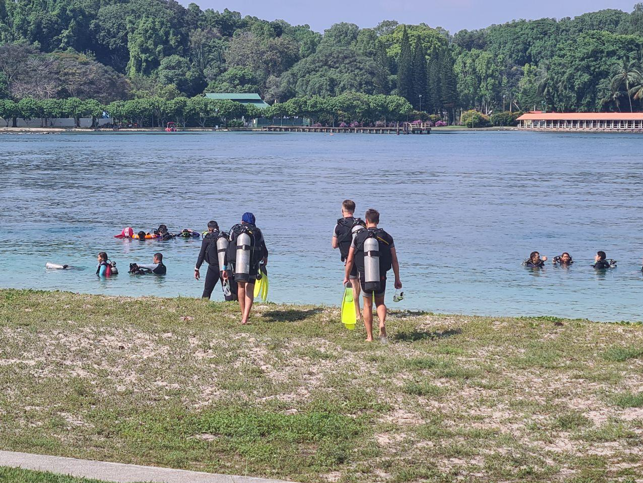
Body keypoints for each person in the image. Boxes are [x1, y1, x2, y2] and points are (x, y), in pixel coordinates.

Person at [344, 209, 401, 342]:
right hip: (381, 275)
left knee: (367, 305)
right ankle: (381, 323)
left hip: (365, 276)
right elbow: (394, 259)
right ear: (378, 221)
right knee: (380, 302)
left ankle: (370, 336)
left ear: (367, 221)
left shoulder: (359, 236)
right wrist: (397, 278)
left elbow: (350, 259)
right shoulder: (387, 236)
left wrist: (347, 276)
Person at [223, 213, 268, 324]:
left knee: (241, 287)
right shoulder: (257, 232)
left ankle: (243, 313)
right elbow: (264, 249)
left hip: (239, 264)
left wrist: (225, 267)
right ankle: (245, 317)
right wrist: (265, 259)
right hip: (253, 264)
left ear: (242, 221)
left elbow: (228, 250)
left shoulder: (236, 231)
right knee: (250, 288)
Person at [332, 199, 365, 319]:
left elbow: (334, 245)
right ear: (354, 210)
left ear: (342, 211)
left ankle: (357, 313)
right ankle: (366, 308)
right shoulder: (360, 223)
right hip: (362, 257)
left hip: (348, 259)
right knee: (362, 283)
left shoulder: (338, 226)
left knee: (354, 283)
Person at [195, 221, 236, 300]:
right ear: (218, 227)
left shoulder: (207, 238)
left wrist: (197, 268)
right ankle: (231, 305)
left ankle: (204, 305)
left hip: (213, 268)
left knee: (207, 290)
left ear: (209, 229)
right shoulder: (225, 237)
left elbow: (201, 254)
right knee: (227, 290)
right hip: (225, 267)